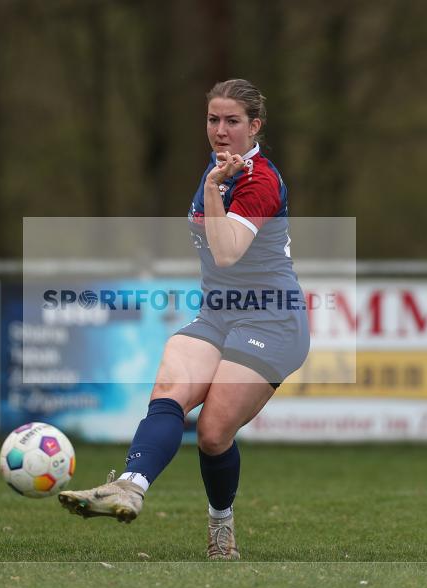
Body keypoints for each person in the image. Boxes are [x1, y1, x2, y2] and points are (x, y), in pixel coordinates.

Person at [59, 79, 310, 560]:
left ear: (254, 126)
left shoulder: (259, 179)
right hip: (218, 315)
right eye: (213, 120)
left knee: (214, 434)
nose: (220, 130)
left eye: (232, 121)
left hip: (272, 323)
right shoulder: (215, 172)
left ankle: (221, 528)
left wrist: (215, 188)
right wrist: (214, 183)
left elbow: (227, 251)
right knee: (169, 392)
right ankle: (129, 487)